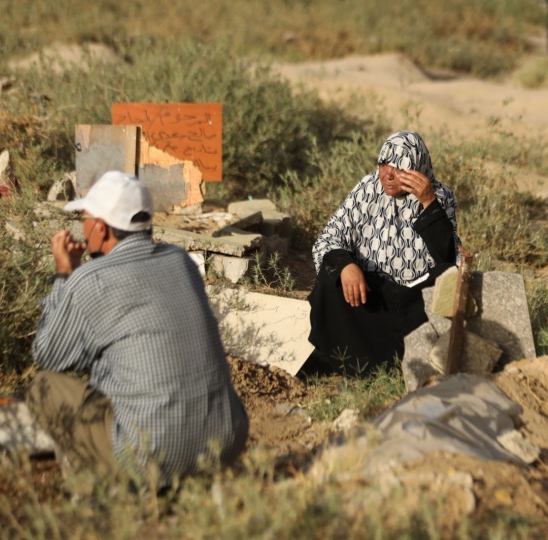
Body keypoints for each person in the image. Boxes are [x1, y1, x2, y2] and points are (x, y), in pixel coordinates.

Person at [26, 171, 249, 488]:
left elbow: (49, 355)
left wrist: (64, 274)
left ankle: (104, 489)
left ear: (101, 228)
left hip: (150, 456)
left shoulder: (89, 280)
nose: (83, 227)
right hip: (226, 444)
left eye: (85, 220)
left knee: (43, 387)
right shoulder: (180, 260)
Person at [304, 131, 461, 377]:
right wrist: (346, 265)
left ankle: (402, 365)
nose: (387, 174)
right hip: (368, 292)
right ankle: (349, 365)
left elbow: (447, 258)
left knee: (447, 277)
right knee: (331, 275)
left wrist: (429, 203)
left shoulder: (440, 197)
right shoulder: (368, 189)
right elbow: (328, 238)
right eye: (383, 164)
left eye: (399, 168)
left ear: (418, 170)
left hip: (413, 300)